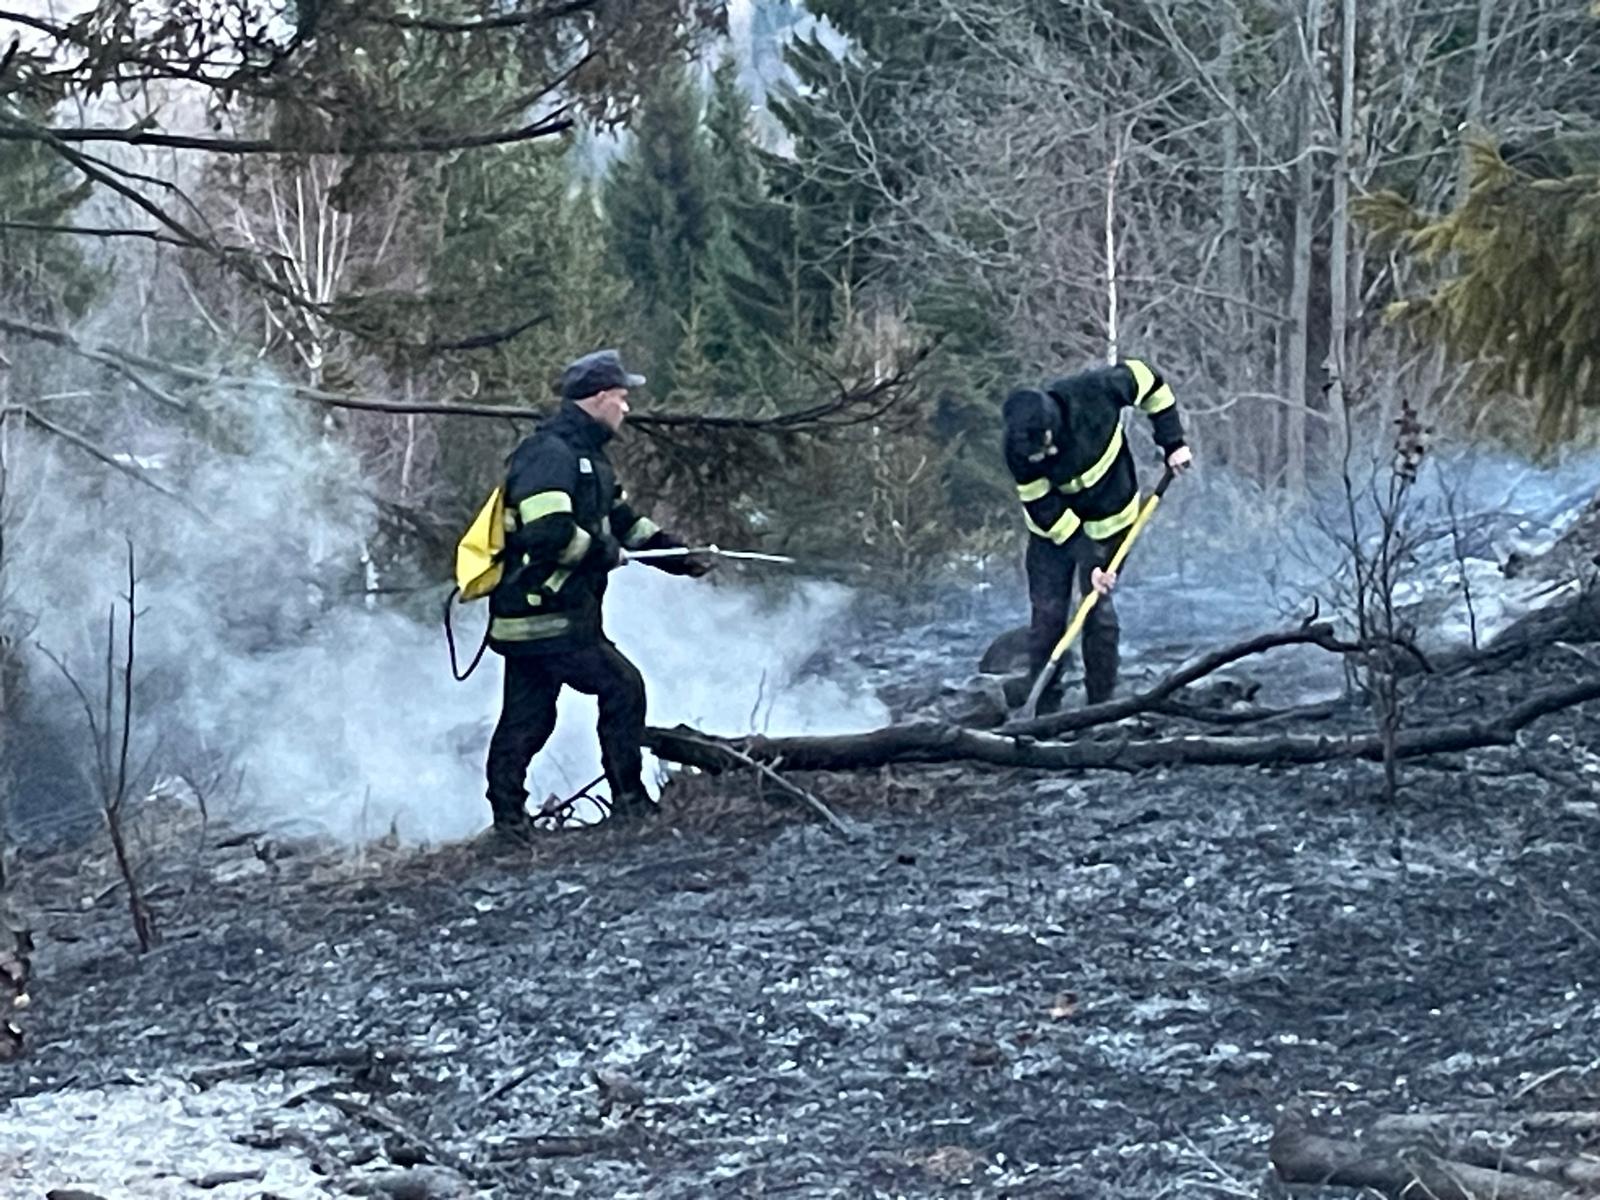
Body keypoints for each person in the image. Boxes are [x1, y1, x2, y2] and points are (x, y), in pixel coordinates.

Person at [484, 349, 712, 841]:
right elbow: (547, 533)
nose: (627, 410)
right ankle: (628, 803)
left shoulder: (589, 459)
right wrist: (602, 553)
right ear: (601, 398)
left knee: (530, 716)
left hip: (549, 615)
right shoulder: (550, 455)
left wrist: (675, 554)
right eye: (622, 399)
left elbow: (624, 521)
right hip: (545, 613)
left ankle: (508, 822)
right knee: (621, 688)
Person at [1002, 358, 1192, 711]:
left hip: (1111, 519)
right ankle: (1042, 707)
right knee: (1047, 615)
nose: (1043, 457)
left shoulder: (1095, 393)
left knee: (1097, 609)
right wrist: (1084, 555)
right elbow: (1043, 506)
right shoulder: (1017, 448)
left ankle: (1100, 704)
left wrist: (1173, 442)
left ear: (1051, 427)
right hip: (1053, 534)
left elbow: (1150, 382)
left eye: (1043, 447)